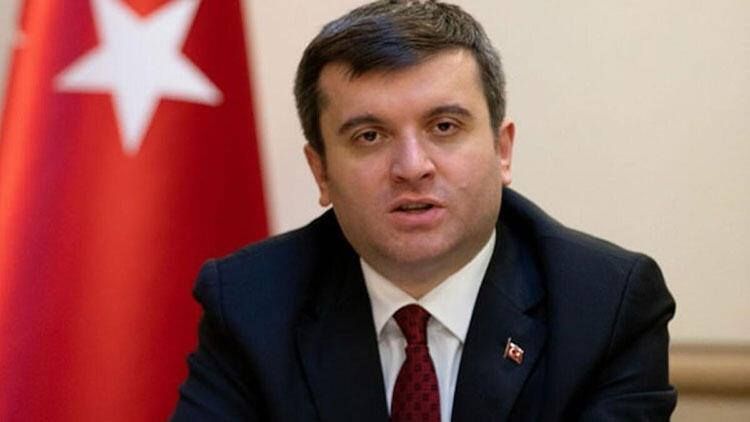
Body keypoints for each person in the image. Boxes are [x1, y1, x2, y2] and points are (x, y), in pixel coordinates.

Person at [172, 1, 677, 421]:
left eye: (444, 127)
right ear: (321, 172)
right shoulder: (250, 304)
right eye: (370, 136)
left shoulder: (604, 306)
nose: (412, 167)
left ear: (502, 151)